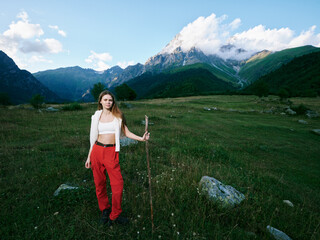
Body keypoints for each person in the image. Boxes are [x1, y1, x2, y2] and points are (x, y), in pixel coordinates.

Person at [85, 90, 150, 225]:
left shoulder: (118, 116)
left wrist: (141, 138)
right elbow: (92, 138)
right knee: (99, 183)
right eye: (105, 100)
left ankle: (115, 214)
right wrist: (89, 157)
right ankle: (105, 210)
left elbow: (126, 132)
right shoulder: (96, 116)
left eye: (110, 100)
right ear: (100, 101)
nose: (108, 102)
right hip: (96, 151)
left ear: (113, 102)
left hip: (111, 152)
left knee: (117, 185)